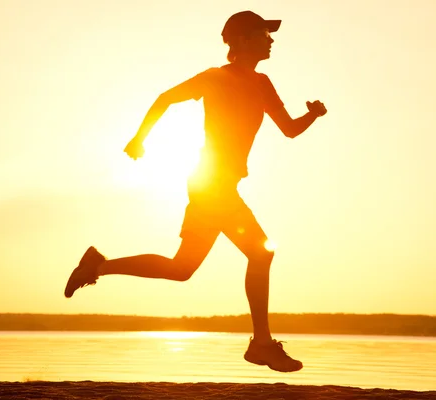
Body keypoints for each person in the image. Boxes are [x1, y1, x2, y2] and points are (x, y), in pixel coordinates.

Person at [64, 10, 327, 373]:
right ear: (244, 40)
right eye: (265, 33)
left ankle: (98, 265)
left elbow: (289, 129)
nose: (271, 40)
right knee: (261, 253)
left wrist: (312, 115)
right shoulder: (214, 78)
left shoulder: (263, 84)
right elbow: (165, 98)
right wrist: (139, 138)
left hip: (219, 184)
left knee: (182, 268)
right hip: (210, 182)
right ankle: (262, 344)